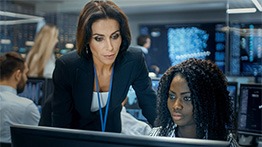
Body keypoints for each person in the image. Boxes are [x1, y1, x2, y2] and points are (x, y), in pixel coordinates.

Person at [52, 0, 156, 133]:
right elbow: (61, 124)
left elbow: (149, 103)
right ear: (87, 40)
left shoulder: (134, 59)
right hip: (75, 136)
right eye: (99, 38)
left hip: (111, 134)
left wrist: (170, 136)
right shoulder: (67, 66)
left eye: (114, 36)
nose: (110, 47)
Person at [149, 58, 239, 147]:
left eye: (187, 98)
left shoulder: (224, 140)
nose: (176, 106)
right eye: (172, 97)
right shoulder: (156, 136)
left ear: (205, 101)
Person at [0, 52, 40, 143]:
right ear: (17, 74)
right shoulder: (26, 107)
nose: (26, 78)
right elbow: (39, 142)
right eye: (25, 73)